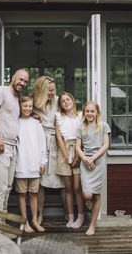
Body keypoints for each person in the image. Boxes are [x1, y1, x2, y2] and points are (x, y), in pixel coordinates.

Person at [0, 69, 29, 219]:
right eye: (20, 79)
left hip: (12, 147)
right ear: (13, 78)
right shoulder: (1, 91)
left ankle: (1, 221)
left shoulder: (16, 99)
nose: (22, 83)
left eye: (25, 81)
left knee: (8, 187)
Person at [31, 76, 65, 224]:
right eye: (49, 90)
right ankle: (40, 214)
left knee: (63, 179)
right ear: (41, 90)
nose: (52, 93)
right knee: (39, 182)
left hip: (58, 142)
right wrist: (32, 115)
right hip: (40, 142)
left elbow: (71, 113)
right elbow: (21, 115)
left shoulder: (58, 101)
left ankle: (68, 212)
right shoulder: (32, 103)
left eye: (53, 90)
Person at [76, 101, 111, 236]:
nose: (90, 114)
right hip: (85, 162)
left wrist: (93, 158)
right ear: (84, 113)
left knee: (96, 194)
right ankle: (87, 202)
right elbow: (78, 147)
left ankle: (92, 226)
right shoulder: (81, 127)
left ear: (97, 113)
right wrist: (85, 159)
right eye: (87, 111)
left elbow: (106, 145)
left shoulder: (103, 126)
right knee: (87, 194)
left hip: (99, 162)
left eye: (92, 111)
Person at [15, 96, 47, 233]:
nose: (27, 108)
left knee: (34, 193)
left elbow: (42, 144)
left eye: (30, 106)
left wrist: (43, 162)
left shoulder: (36, 124)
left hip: (35, 165)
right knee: (22, 194)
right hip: (21, 164)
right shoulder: (15, 123)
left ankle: (34, 220)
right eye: (25, 106)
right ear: (20, 107)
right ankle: (25, 221)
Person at [55, 92, 84, 229]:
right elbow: (59, 138)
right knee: (68, 187)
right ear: (60, 105)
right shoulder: (59, 117)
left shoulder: (81, 115)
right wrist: (67, 157)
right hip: (65, 150)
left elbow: (84, 135)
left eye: (68, 99)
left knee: (77, 187)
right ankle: (70, 215)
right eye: (63, 101)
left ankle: (81, 216)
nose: (66, 102)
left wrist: (78, 156)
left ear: (73, 100)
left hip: (78, 148)